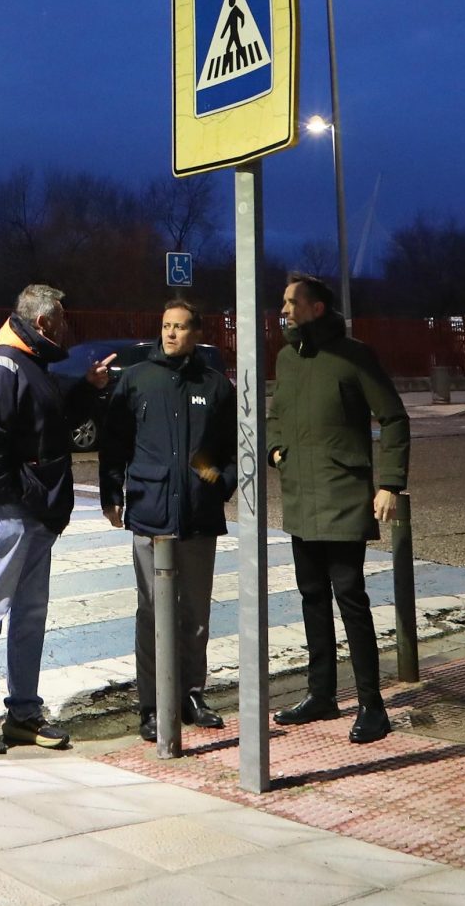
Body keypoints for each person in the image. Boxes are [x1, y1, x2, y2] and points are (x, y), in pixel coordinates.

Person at [0, 283, 112, 757]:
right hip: (15, 514)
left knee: (29, 618)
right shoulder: (4, 366)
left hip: (36, 514)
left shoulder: (31, 363)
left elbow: (51, 425)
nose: (66, 328)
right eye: (61, 320)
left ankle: (23, 715)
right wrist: (19, 496)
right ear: (43, 322)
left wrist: (86, 389)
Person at [266, 273, 410, 743]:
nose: (283, 310)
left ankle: (372, 705)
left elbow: (393, 417)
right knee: (311, 596)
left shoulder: (354, 355)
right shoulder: (286, 358)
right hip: (300, 496)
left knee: (350, 598)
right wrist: (275, 450)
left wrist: (389, 484)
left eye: (291, 302)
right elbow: (275, 415)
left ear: (317, 309)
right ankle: (321, 694)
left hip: (343, 495)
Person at [100, 295, 236, 744]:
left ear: (197, 333)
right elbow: (114, 443)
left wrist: (218, 484)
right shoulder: (138, 379)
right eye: (166, 326)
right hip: (151, 511)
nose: (171, 333)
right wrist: (111, 493)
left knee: (195, 613)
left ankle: (191, 694)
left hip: (198, 515)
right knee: (153, 614)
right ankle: (153, 705)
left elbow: (232, 448)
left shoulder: (215, 386)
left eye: (180, 326)